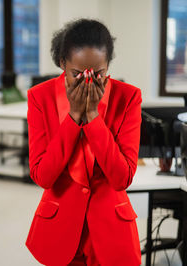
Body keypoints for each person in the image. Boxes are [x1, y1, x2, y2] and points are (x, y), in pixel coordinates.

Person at [26, 19, 142, 266]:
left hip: (110, 230)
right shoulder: (40, 97)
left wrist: (92, 117)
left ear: (108, 65)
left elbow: (122, 178)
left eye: (98, 74)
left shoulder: (128, 97)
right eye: (77, 74)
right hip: (60, 230)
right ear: (62, 64)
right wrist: (73, 117)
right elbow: (43, 176)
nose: (88, 82)